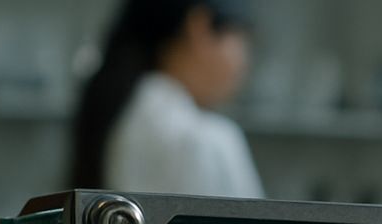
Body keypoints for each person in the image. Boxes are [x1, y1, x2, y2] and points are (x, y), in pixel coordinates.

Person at [71, 0, 263, 198]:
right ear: (199, 28)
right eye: (242, 39)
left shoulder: (118, 112)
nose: (244, 63)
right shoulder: (208, 140)